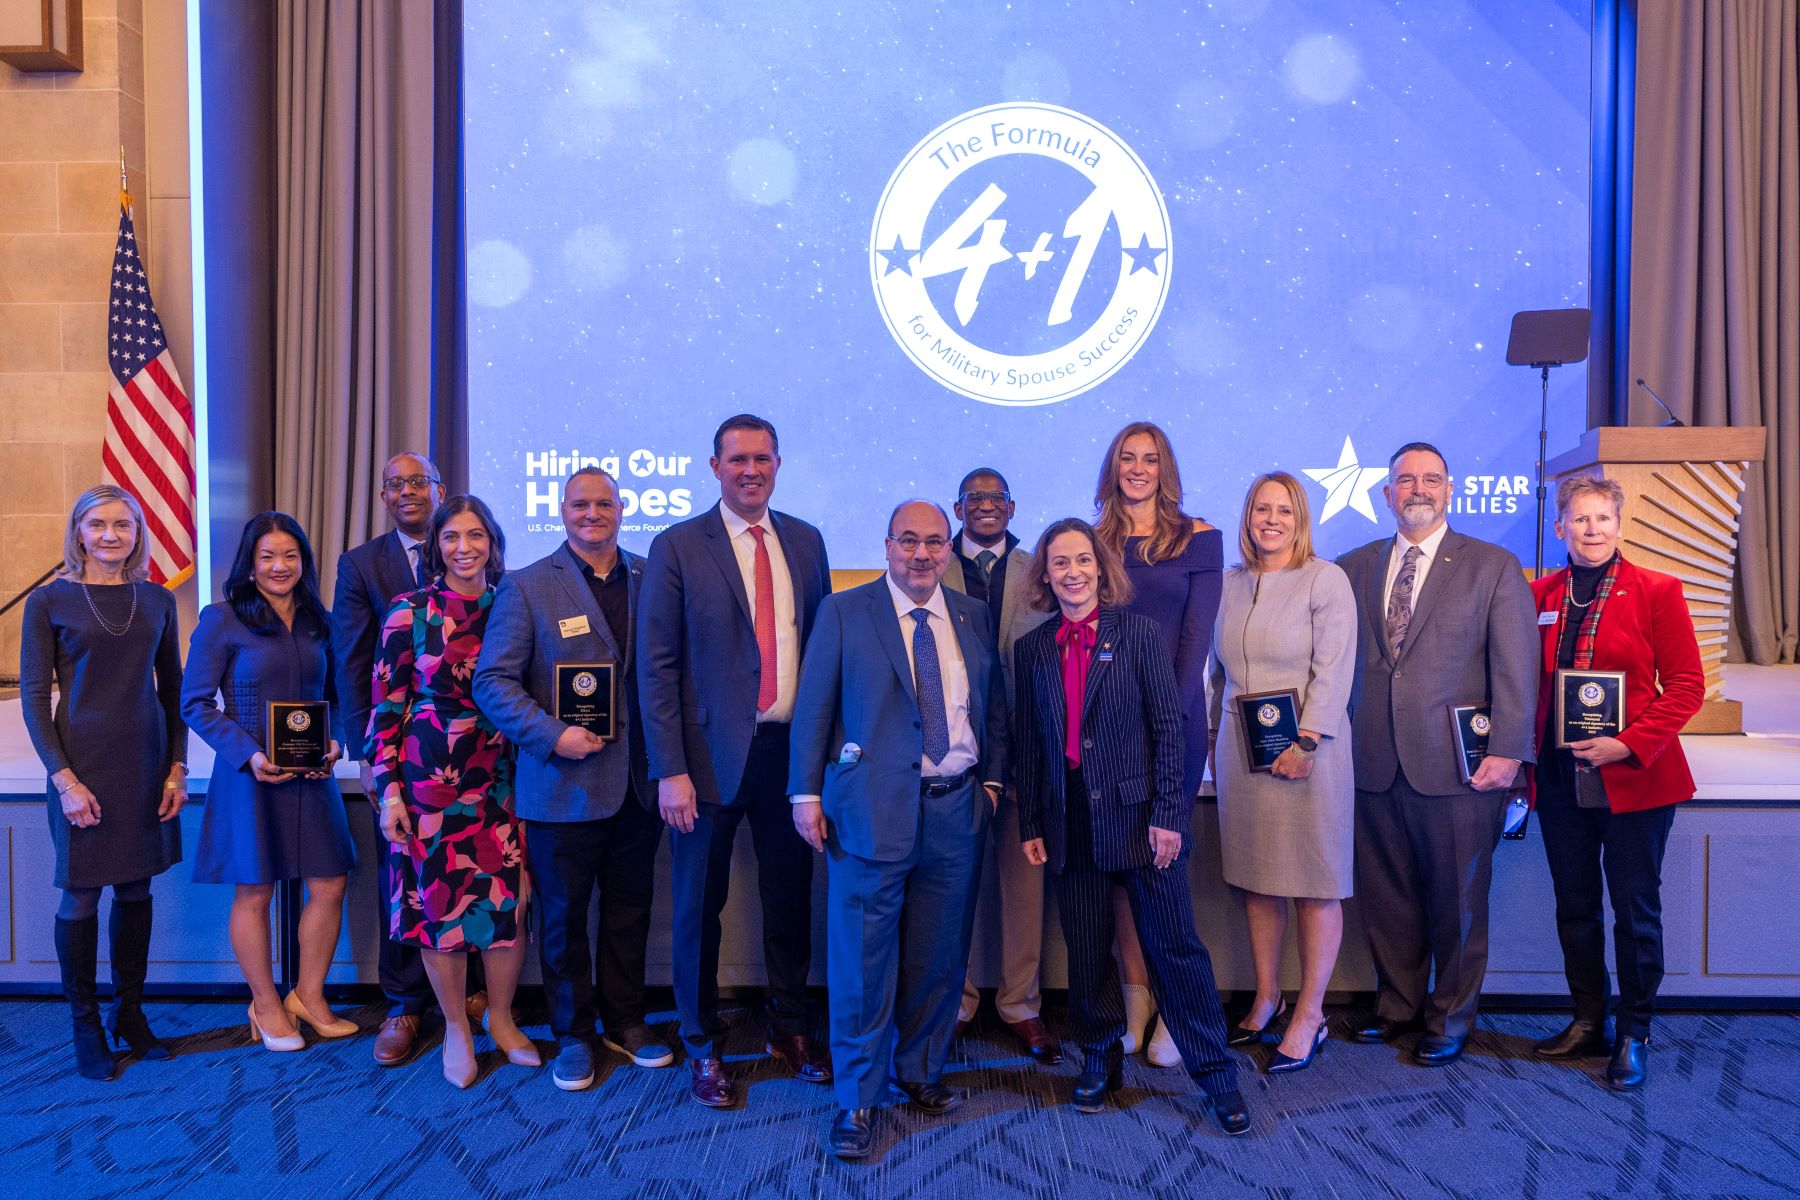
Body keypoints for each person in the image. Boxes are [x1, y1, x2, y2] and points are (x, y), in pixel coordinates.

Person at [1013, 518, 1250, 1135]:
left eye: (1084, 561)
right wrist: (1033, 821)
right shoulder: (1032, 650)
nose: (1073, 572)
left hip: (1143, 820)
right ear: (1046, 574)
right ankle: (1098, 1055)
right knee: (1088, 949)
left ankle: (1216, 1074)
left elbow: (1173, 730)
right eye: (1060, 562)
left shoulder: (1140, 634)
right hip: (1069, 820)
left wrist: (1170, 814)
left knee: (1174, 949)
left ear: (1101, 568)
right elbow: (1032, 746)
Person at [789, 500, 1008, 1160]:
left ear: (949, 550)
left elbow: (991, 710)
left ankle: (919, 1072)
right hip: (869, 811)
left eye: (934, 542)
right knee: (861, 960)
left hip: (955, 809)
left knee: (940, 956)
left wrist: (992, 784)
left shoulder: (971, 615)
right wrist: (805, 792)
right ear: (886, 546)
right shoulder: (844, 612)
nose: (921, 553)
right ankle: (857, 1099)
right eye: (908, 541)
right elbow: (814, 709)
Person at [637, 414, 833, 1108]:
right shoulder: (678, 545)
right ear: (714, 466)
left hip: (787, 755)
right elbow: (655, 665)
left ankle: (790, 1026)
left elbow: (823, 654)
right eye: (737, 459)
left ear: (778, 464)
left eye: (762, 459)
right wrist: (669, 767)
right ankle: (701, 1043)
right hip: (704, 762)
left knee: (790, 899)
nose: (751, 470)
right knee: (698, 908)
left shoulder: (806, 541)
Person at [1336, 443, 1537, 1066]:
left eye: (1430, 479)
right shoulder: (1351, 566)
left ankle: (1450, 1017)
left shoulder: (1493, 566)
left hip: (1460, 767)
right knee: (1387, 897)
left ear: (1449, 490)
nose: (1417, 488)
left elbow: (1516, 667)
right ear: (1386, 493)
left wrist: (1508, 751)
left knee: (1457, 901)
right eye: (1404, 480)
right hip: (1370, 760)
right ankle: (1397, 1007)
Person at [474, 468, 672, 1091]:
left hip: (640, 782)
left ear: (622, 508)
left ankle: (628, 1021)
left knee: (629, 912)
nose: (593, 513)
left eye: (604, 503)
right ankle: (573, 1035)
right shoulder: (528, 585)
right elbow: (492, 682)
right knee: (561, 920)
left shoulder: (653, 577)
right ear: (561, 510)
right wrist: (551, 733)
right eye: (580, 503)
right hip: (562, 783)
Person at [1526, 475, 1703, 1090]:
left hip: (1633, 778)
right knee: (1575, 906)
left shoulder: (1658, 589)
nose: (1592, 529)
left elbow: (1686, 687)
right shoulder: (1539, 592)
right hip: (1559, 779)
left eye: (1603, 519)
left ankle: (1635, 1030)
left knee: (1634, 910)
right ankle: (1586, 1020)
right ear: (1560, 528)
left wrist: (1626, 743)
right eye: (1580, 519)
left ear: (1620, 526)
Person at [369, 495, 539, 1088]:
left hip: (505, 776)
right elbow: (385, 712)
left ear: (492, 542)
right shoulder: (408, 611)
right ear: (435, 545)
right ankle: (456, 1029)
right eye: (451, 537)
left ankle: (500, 1018)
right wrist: (389, 792)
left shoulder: (515, 603)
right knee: (439, 910)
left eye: (476, 536)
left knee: (505, 906)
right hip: (429, 784)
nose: (464, 547)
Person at [20, 485, 188, 1080]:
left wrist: (177, 766)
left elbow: (173, 691)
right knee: (83, 894)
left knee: (138, 891)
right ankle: (85, 1025)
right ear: (79, 531)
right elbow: (35, 700)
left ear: (139, 532)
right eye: (98, 524)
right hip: (81, 767)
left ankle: (131, 1014)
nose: (111, 535)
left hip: (144, 764)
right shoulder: (48, 603)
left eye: (123, 524)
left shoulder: (158, 600)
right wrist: (64, 780)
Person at [332, 451, 483, 1067]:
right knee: (409, 879)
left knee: (476, 877)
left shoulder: (488, 569)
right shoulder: (362, 565)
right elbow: (352, 662)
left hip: (479, 761)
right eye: (395, 484)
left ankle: (470, 1001)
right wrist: (370, 757)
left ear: (440, 489)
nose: (407, 492)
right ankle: (403, 1004)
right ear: (384, 497)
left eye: (418, 481)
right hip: (405, 756)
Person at [185, 512, 357, 1053]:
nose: (279, 566)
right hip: (249, 776)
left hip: (312, 773)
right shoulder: (222, 618)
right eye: (267, 557)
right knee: (254, 890)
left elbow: (340, 697)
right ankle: (264, 1002)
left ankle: (308, 995)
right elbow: (194, 703)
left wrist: (336, 741)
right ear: (250, 563)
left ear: (303, 561)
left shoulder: (318, 620)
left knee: (331, 882)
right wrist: (250, 754)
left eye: (290, 556)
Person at [1208, 473, 1357, 1071]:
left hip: (1307, 753)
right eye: (1261, 509)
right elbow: (1218, 671)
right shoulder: (1228, 584)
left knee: (1315, 884)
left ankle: (1310, 1013)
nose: (1271, 519)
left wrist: (1308, 740)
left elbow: (1335, 669)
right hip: (1242, 753)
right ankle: (1267, 996)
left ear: (1300, 519)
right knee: (1257, 879)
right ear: (1247, 518)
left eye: (1283, 510)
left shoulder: (1326, 579)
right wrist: (1210, 736)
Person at [1092, 421, 1223, 1066]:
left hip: (1173, 720)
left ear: (1165, 467)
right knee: (1119, 870)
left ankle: (1176, 1007)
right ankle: (1136, 1002)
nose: (1138, 468)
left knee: (1164, 865)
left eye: (1150, 459)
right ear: (1113, 466)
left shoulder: (1200, 540)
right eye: (1127, 458)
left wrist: (1161, 721)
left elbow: (1195, 642)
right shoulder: (1094, 543)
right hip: (1109, 726)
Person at [943, 468, 1058, 1065]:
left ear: (1012, 507)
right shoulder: (933, 563)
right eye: (974, 497)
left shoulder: (1041, 568)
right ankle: (955, 1004)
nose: (985, 506)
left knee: (1024, 885)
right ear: (957, 507)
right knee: (952, 882)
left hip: (1026, 748)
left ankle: (1021, 1004)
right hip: (954, 749)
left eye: (996, 497)